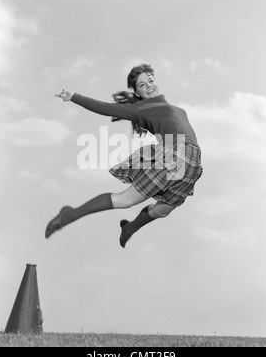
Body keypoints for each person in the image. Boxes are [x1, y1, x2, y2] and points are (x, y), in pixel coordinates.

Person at [46, 64, 203, 248]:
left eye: (150, 81)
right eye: (142, 85)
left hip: (192, 164)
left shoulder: (180, 110)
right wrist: (74, 97)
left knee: (163, 210)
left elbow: (173, 131)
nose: (149, 86)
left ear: (156, 80)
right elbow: (106, 108)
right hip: (175, 155)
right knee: (125, 200)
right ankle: (70, 214)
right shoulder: (141, 108)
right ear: (138, 92)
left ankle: (129, 228)